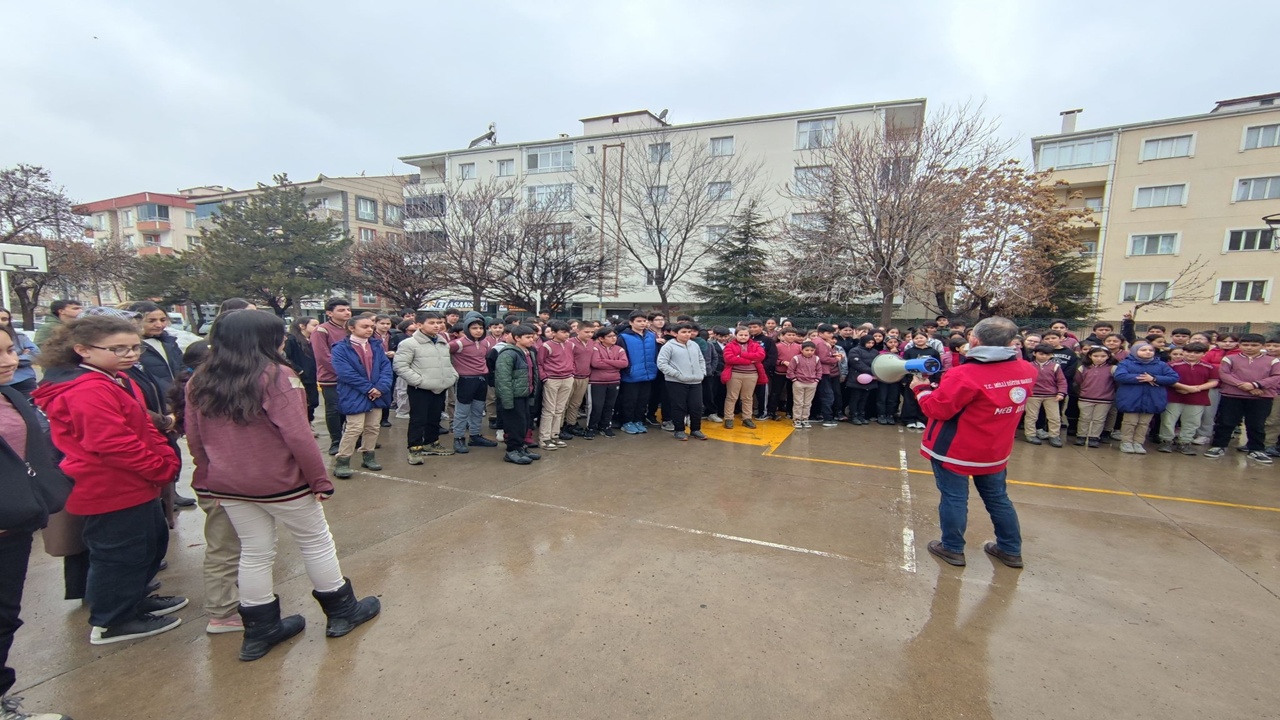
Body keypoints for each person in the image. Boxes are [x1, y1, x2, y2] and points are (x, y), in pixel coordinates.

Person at [184, 309, 379, 661]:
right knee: (316, 542)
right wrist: (319, 479)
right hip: (280, 482)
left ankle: (260, 630)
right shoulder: (275, 375)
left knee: (255, 551)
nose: (284, 340)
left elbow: (195, 438)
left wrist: (206, 477)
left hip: (229, 483)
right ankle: (342, 611)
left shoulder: (200, 378)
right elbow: (299, 435)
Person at [32, 316, 185, 644]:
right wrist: (159, 467)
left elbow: (140, 424)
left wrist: (162, 460)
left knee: (148, 544)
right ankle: (112, 620)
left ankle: (133, 600)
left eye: (134, 347)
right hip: (111, 485)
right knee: (120, 552)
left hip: (133, 483)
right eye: (117, 349)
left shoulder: (109, 378)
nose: (130, 355)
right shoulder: (87, 388)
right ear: (83, 350)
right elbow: (112, 442)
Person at [911, 317, 1033, 569]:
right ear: (1012, 343)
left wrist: (921, 389)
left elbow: (938, 409)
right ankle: (1011, 550)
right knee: (998, 499)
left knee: (954, 498)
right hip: (995, 449)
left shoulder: (964, 374)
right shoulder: (1027, 370)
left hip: (956, 449)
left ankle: (952, 548)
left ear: (974, 340)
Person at [0, 322, 73, 720]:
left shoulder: (11, 395)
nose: (12, 360)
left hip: (15, 524)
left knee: (5, 617)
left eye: (11, 349)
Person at [330, 314, 394, 477]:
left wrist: (380, 387)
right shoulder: (340, 348)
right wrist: (369, 388)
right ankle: (343, 460)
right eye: (364, 327)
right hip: (354, 393)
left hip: (377, 393)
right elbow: (345, 373)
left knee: (373, 427)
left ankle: (368, 456)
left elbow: (386, 368)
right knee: (354, 428)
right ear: (351, 328)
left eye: (371, 327)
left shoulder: (376, 345)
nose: (369, 329)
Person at [1204, 333, 1280, 463]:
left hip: (1261, 397)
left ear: (1262, 346)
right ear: (1240, 345)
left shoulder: (1273, 361)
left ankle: (1256, 449)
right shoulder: (1230, 359)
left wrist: (1256, 385)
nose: (1249, 347)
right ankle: (1219, 446)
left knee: (1256, 424)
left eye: (1254, 345)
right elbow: (1224, 374)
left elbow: (1276, 376)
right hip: (1232, 395)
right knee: (1226, 422)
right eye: (1245, 345)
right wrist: (1243, 385)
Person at [1113, 342, 1179, 455]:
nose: (1148, 352)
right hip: (1131, 398)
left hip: (1153, 398)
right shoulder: (1126, 363)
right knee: (1130, 422)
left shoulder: (1161, 365)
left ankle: (1138, 443)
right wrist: (1142, 378)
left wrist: (1154, 378)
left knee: (1144, 423)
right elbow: (1120, 376)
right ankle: (1126, 442)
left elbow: (1173, 377)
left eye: (1150, 350)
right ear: (1134, 351)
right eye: (1143, 350)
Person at [446, 311, 497, 455]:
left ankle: (475, 436)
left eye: (480, 328)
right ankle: (459, 437)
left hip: (481, 379)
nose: (478, 331)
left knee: (478, 410)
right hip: (465, 380)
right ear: (467, 329)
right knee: (462, 411)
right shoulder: (458, 343)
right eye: (474, 328)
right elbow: (443, 354)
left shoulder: (486, 342)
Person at [310, 298, 353, 456]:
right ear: (329, 313)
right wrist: (344, 373)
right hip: (331, 378)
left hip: (352, 378)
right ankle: (336, 441)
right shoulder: (321, 330)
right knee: (334, 410)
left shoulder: (351, 329)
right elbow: (323, 357)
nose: (347, 312)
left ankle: (351, 439)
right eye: (341, 310)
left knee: (349, 409)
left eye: (348, 309)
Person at [494, 326, 542, 465]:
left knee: (524, 423)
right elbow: (503, 379)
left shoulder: (529, 353)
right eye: (527, 337)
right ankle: (512, 451)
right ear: (517, 338)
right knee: (514, 424)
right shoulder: (508, 354)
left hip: (525, 394)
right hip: (513, 396)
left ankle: (521, 447)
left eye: (532, 336)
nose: (531, 339)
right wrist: (507, 401)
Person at [1159, 342, 1217, 455]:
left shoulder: (1210, 367)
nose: (1191, 355)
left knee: (1192, 421)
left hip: (1197, 398)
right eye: (1188, 352)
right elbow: (1167, 379)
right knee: (1168, 420)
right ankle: (1166, 441)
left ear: (1204, 353)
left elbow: (1214, 381)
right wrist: (1183, 387)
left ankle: (1185, 442)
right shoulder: (1172, 365)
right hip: (1173, 397)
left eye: (1196, 352)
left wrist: (1197, 388)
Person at [656, 322, 707, 441]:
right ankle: (679, 430)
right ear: (675, 333)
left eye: (689, 332)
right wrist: (678, 375)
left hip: (695, 381)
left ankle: (696, 429)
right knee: (679, 406)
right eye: (684, 332)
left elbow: (701, 360)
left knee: (696, 406)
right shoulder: (669, 346)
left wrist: (702, 373)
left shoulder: (694, 345)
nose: (687, 335)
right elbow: (662, 364)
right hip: (676, 382)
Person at [616, 312, 658, 435]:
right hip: (630, 375)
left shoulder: (651, 335)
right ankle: (627, 422)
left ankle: (638, 420)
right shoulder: (623, 337)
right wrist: (628, 370)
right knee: (630, 400)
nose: (642, 323)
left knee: (643, 400)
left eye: (644, 321)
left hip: (648, 373)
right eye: (639, 321)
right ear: (631, 322)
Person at [537, 320, 575, 451]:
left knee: (560, 409)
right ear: (553, 333)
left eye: (567, 332)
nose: (566, 335)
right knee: (549, 409)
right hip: (552, 379)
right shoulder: (546, 346)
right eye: (563, 332)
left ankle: (555, 435)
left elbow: (572, 359)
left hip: (567, 378)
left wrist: (572, 373)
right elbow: (540, 363)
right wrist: (545, 378)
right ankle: (545, 438)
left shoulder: (570, 345)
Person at [721, 327, 765, 429]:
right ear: (736, 335)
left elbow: (760, 356)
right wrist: (749, 360)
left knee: (747, 398)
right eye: (740, 335)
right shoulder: (729, 345)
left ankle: (747, 418)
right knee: (731, 397)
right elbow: (729, 359)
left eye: (746, 335)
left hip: (751, 375)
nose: (743, 337)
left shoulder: (756, 345)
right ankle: (728, 418)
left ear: (750, 336)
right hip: (735, 374)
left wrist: (741, 355)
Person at [1023, 344, 1067, 447]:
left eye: (1047, 354)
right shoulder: (1029, 365)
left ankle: (1054, 436)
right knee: (1031, 416)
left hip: (1051, 395)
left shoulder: (1055, 366)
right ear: (1035, 353)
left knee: (1054, 417)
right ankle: (1030, 434)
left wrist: (1061, 392)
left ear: (1051, 355)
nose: (1043, 356)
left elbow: (1061, 381)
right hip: (1033, 395)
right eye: (1041, 354)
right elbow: (1024, 380)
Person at [1074, 347, 1117, 448]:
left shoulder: (1113, 368)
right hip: (1086, 397)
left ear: (1108, 356)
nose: (1099, 358)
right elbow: (1078, 381)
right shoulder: (1083, 368)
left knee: (1099, 419)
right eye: (1096, 356)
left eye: (1103, 356)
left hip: (1104, 399)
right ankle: (1081, 436)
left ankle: (1094, 437)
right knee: (1084, 418)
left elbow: (1116, 383)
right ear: (1090, 356)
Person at [284, 317, 320, 429]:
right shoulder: (291, 340)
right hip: (299, 377)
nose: (317, 328)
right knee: (302, 402)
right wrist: (299, 370)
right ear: (302, 326)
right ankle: (304, 426)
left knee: (313, 401)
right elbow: (286, 357)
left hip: (311, 376)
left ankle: (308, 423)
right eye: (314, 325)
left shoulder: (312, 340)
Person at [563, 321, 596, 436]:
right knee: (564, 403)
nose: (589, 334)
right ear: (578, 331)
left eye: (592, 332)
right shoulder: (570, 343)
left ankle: (571, 424)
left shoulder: (592, 343)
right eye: (586, 332)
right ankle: (560, 426)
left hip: (585, 377)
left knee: (576, 403)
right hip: (572, 377)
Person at [0, 308, 39, 397]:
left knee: (29, 409)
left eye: (10, 350)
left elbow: (36, 354)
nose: (1, 322)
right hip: (3, 386)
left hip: (23, 380)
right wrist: (21, 355)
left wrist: (17, 359)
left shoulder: (19, 337)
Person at [845, 334, 879, 425]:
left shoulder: (875, 352)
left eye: (872, 343)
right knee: (855, 398)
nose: (871, 344)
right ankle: (853, 416)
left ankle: (861, 415)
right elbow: (856, 363)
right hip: (856, 378)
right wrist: (871, 371)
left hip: (870, 380)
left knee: (864, 398)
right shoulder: (855, 350)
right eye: (868, 342)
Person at [786, 341, 822, 429]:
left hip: (812, 383)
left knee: (808, 403)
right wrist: (794, 380)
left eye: (812, 350)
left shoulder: (816, 359)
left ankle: (805, 418)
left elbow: (819, 370)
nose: (809, 352)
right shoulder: (796, 358)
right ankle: (797, 419)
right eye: (807, 350)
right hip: (799, 383)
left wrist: (816, 380)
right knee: (798, 402)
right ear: (802, 350)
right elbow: (790, 370)